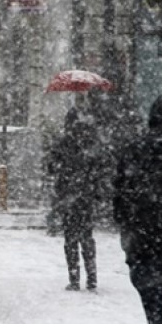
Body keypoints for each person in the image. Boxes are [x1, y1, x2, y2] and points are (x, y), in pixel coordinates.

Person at [48, 113, 110, 291]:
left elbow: (51, 167)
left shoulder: (62, 144)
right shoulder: (91, 144)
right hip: (85, 197)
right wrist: (96, 191)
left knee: (70, 239)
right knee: (87, 237)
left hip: (68, 196)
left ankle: (74, 278)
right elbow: (100, 169)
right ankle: (92, 278)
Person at [115, 95, 162, 324]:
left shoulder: (133, 149)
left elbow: (120, 200)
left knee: (154, 307)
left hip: (143, 242)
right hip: (146, 237)